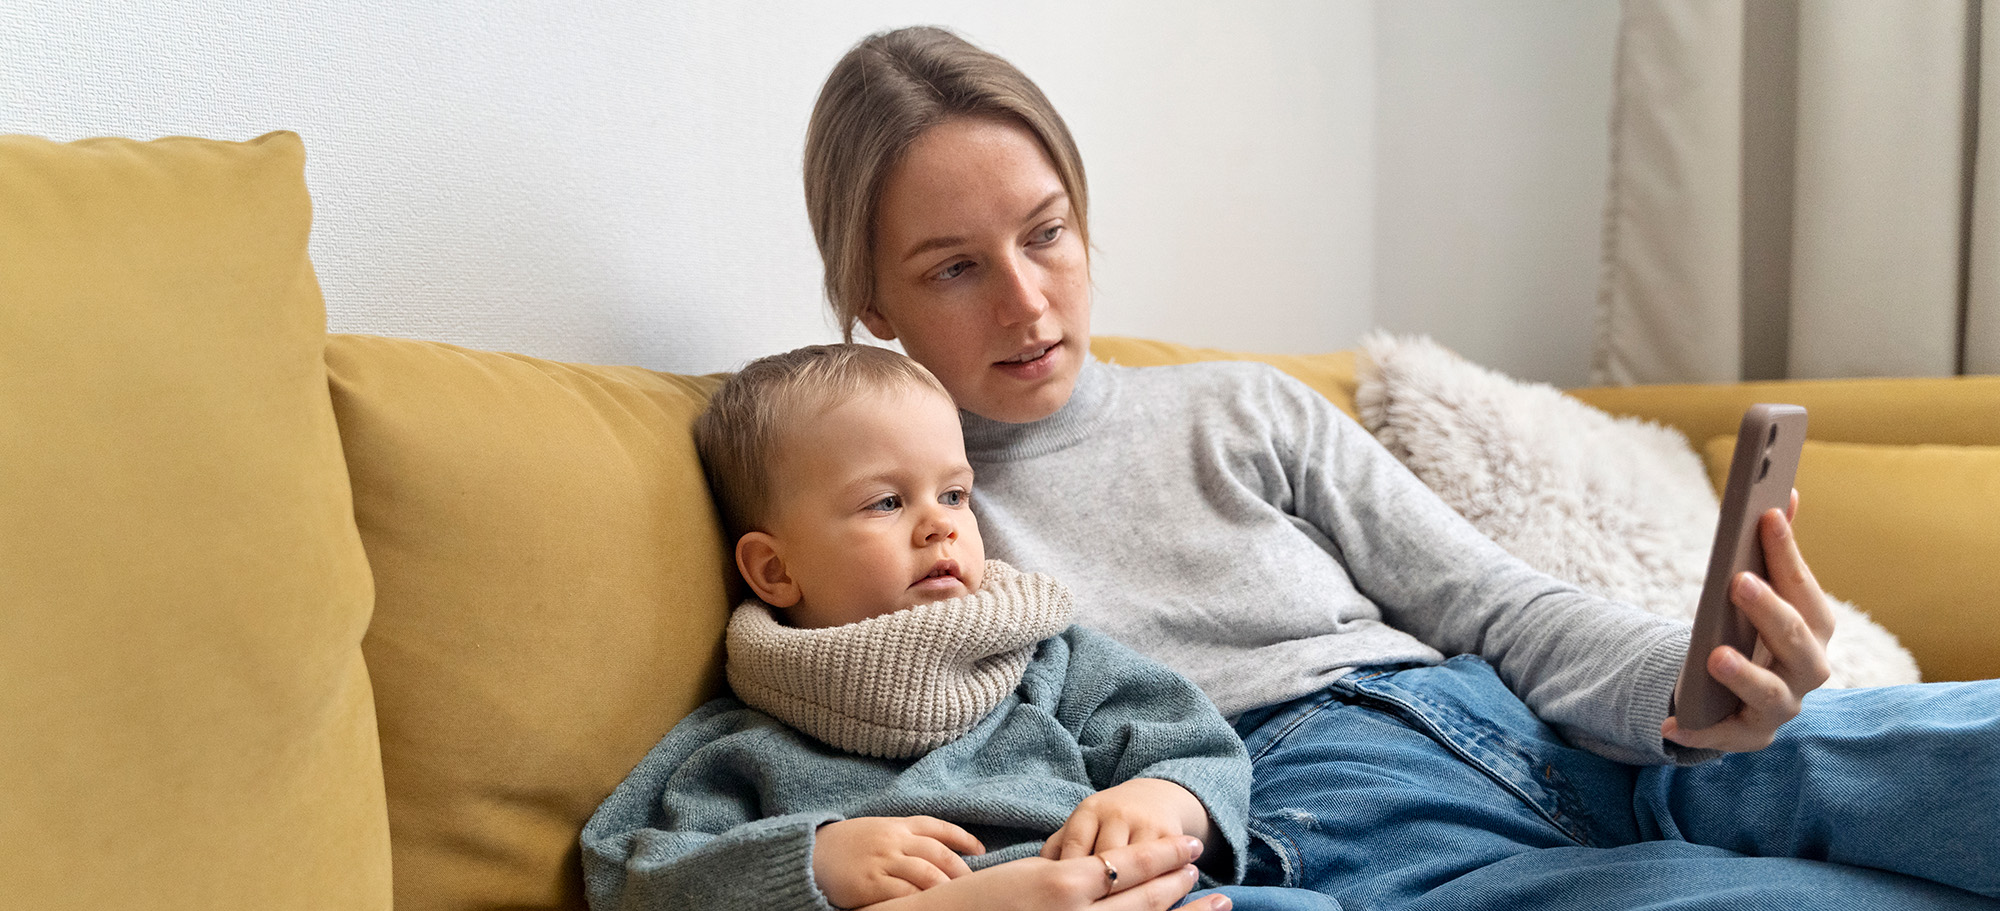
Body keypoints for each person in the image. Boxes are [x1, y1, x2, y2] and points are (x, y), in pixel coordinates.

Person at [797, 25, 2000, 911]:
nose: (1026, 299)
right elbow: (814, 774)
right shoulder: (893, 521)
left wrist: (1688, 691)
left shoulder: (1237, 405)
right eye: (954, 267)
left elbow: (1494, 600)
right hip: (1345, 829)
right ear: (869, 296)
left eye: (1045, 231)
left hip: (1555, 730)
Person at [581, 344, 1327, 911]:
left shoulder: (1047, 660)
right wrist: (810, 861)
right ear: (774, 571)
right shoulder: (740, 749)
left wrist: (1162, 796)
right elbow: (624, 871)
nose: (940, 522)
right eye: (885, 502)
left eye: (954, 492)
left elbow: (1193, 740)